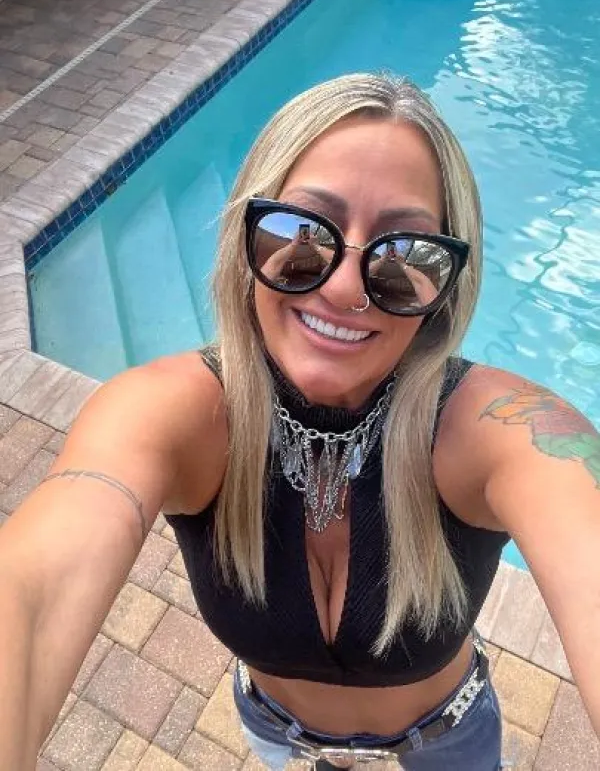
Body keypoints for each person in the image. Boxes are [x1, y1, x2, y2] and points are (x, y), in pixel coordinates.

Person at [1, 73, 599, 771]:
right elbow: (34, 590)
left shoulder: (504, 431)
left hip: (448, 744)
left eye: (405, 253)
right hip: (279, 733)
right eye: (303, 230)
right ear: (246, 237)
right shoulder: (169, 413)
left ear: (445, 288)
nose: (344, 288)